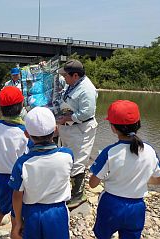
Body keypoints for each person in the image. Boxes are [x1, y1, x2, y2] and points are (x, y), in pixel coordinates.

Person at [89, 100, 160, 239]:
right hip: (136, 207)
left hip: (111, 204)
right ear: (138, 124)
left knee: (103, 235)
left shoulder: (109, 152)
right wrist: (142, 180)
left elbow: (92, 183)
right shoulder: (150, 151)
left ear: (113, 127)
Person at [9, 107, 73, 239]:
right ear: (55, 130)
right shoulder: (67, 155)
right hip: (58, 211)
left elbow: (17, 195)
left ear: (27, 134)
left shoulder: (22, 163)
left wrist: (18, 221)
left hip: (32, 212)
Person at [0, 86, 28, 239]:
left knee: (2, 208)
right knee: (19, 212)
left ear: (1, 107)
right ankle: (15, 235)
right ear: (21, 106)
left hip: (1, 177)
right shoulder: (25, 131)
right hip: (20, 179)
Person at [56, 59, 98, 208]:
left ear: (75, 75)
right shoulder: (73, 83)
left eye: (66, 75)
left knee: (78, 161)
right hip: (69, 129)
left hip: (82, 130)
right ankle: (70, 188)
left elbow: (87, 112)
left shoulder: (87, 89)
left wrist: (68, 118)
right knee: (68, 157)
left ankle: (78, 195)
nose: (64, 78)